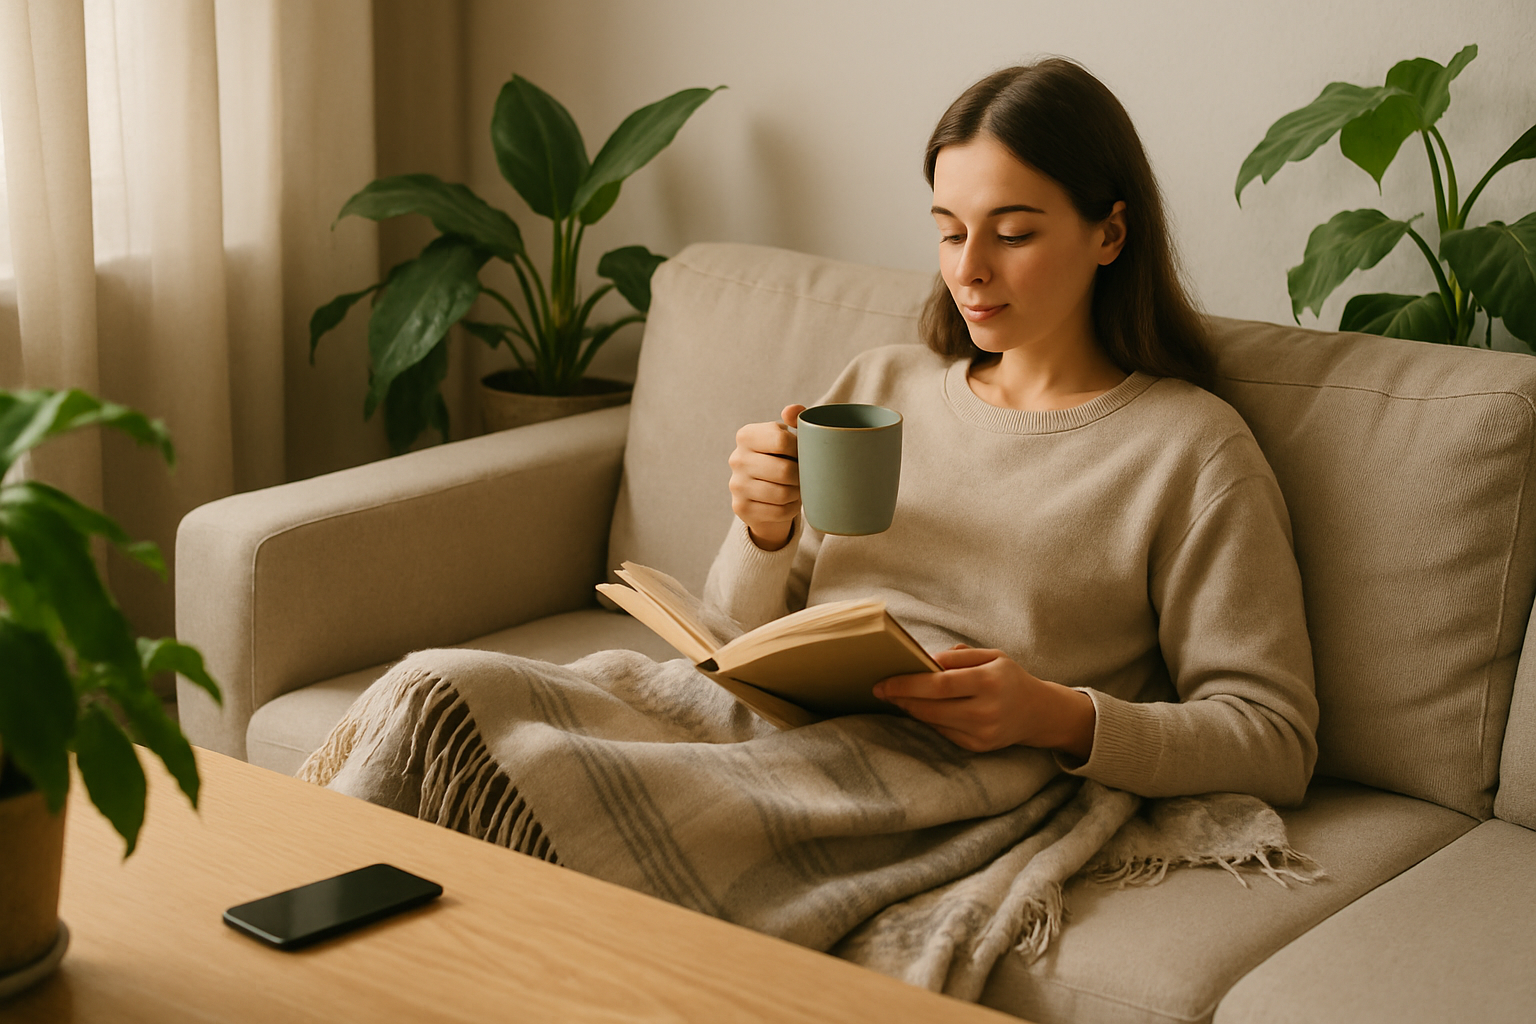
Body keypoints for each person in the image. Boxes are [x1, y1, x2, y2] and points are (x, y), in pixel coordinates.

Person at [705, 59, 1318, 806]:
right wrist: (762, 532)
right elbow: (735, 643)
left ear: (1110, 235)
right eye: (949, 233)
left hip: (912, 781)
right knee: (522, 705)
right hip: (774, 732)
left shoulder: (1189, 449)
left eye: (1014, 234)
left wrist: (1057, 716)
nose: (969, 270)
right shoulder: (878, 387)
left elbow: (1275, 739)